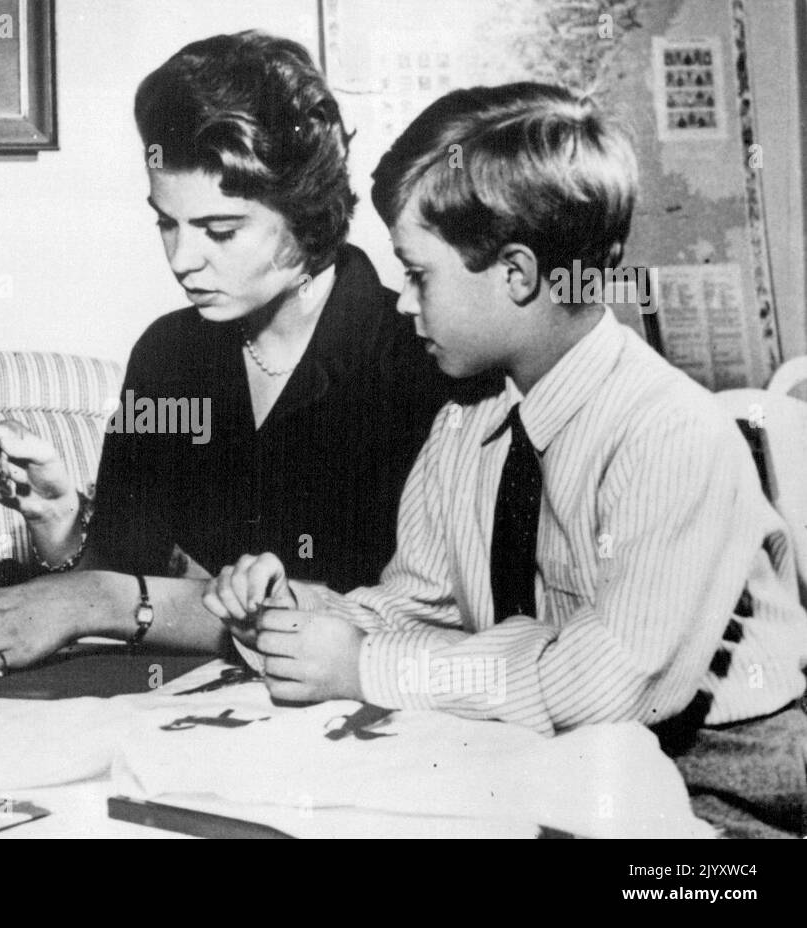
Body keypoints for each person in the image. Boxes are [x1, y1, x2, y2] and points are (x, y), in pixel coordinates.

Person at [211, 82, 807, 837]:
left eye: (419, 274)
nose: (401, 302)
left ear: (518, 274)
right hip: (542, 754)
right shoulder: (466, 422)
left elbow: (606, 687)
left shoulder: (670, 434)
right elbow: (416, 605)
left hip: (718, 780)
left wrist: (367, 665)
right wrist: (301, 620)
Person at [0, 31, 473, 681]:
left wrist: (109, 599)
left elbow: (395, 619)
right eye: (166, 223)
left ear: (309, 212)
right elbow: (114, 579)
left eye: (220, 230)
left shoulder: (426, 362)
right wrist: (61, 522)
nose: (181, 260)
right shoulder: (171, 355)